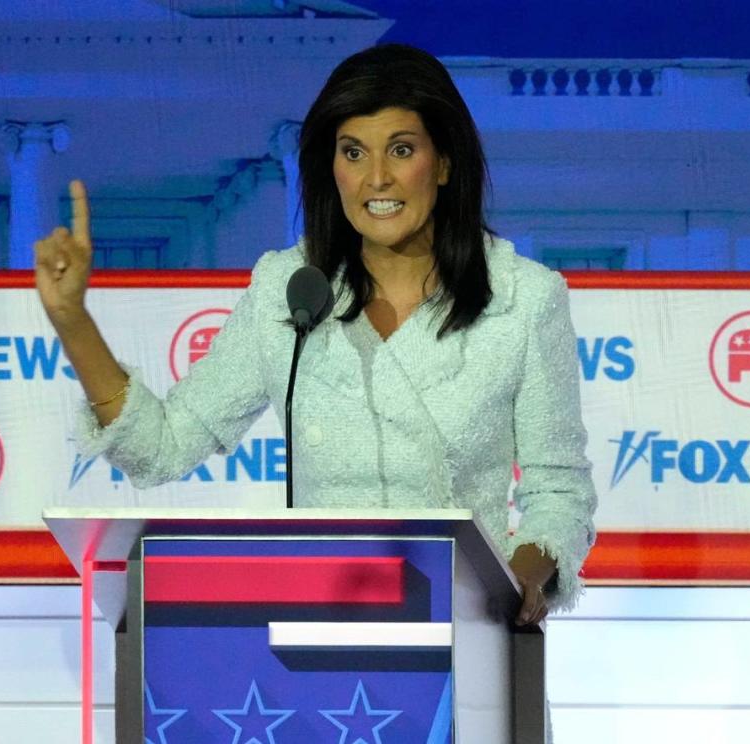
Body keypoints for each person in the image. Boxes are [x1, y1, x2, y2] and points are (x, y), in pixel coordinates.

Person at [33, 44, 596, 628]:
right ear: (332, 167)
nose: (376, 178)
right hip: (318, 649)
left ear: (445, 163)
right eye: (353, 153)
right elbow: (161, 447)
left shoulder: (523, 299)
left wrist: (522, 581)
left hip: (468, 637)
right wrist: (74, 322)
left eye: (401, 150)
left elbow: (559, 494)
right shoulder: (289, 287)